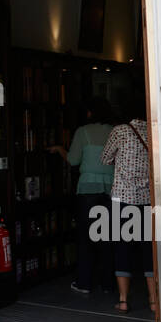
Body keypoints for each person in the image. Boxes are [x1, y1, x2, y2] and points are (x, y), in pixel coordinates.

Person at [49, 96, 114, 295]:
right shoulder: (114, 132)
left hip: (88, 191)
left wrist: (60, 149)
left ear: (90, 112)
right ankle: (109, 284)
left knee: (86, 237)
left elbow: (73, 160)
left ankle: (84, 282)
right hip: (110, 189)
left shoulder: (83, 132)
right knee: (107, 237)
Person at [100, 99, 156, 315]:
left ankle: (123, 301)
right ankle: (153, 301)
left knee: (122, 247)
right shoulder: (153, 131)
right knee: (148, 248)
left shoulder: (120, 131)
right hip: (147, 199)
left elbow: (105, 159)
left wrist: (121, 160)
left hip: (122, 198)